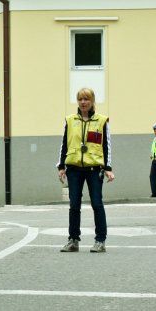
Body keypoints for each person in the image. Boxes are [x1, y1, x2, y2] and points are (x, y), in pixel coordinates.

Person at [57, 88, 114, 253]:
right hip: (74, 169)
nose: (83, 102)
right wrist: (61, 166)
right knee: (74, 205)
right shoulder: (70, 120)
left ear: (92, 101)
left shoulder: (101, 121)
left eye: (86, 99)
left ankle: (100, 240)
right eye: (80, 99)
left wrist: (108, 168)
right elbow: (64, 144)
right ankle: (73, 240)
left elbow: (106, 146)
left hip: (94, 169)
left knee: (97, 203)